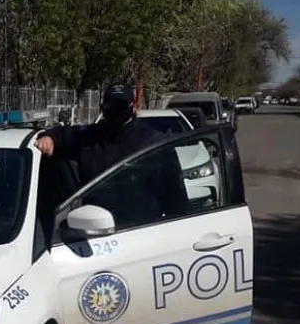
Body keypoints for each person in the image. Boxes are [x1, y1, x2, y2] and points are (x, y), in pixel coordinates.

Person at [34, 83, 189, 225]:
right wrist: (49, 138)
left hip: (140, 232)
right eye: (110, 107)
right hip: (93, 231)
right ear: (103, 108)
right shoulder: (90, 137)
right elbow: (63, 135)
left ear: (133, 107)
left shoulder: (153, 142)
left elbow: (176, 199)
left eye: (121, 107)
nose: (115, 112)